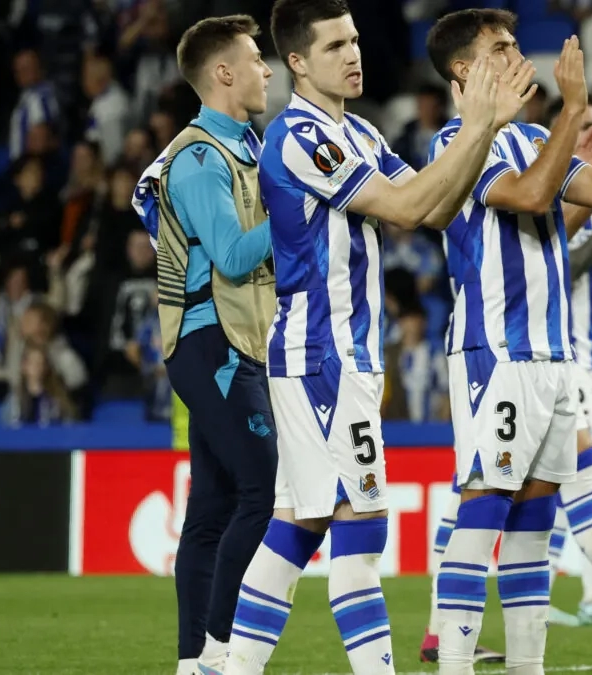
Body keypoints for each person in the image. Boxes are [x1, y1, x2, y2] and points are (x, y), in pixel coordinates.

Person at [221, 1, 529, 674]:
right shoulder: (302, 136)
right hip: (323, 353)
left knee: (298, 525)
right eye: (335, 46)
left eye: (355, 40)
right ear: (298, 62)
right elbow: (405, 207)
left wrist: (482, 130)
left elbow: (436, 205)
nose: (354, 54)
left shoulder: (358, 131)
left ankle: (227, 667)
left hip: (338, 354)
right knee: (362, 525)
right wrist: (479, 124)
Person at [423, 8, 592, 673]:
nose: (516, 54)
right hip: (496, 353)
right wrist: (573, 108)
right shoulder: (455, 142)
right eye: (500, 48)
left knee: (533, 524)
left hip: (555, 358)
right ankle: (453, 663)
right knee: (484, 511)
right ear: (464, 69)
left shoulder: (531, 138)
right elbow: (530, 197)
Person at [130, 15, 278, 675]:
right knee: (261, 490)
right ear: (223, 73)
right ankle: (219, 648)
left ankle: (192, 662)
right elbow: (234, 254)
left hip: (236, 338)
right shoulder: (197, 157)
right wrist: (298, 209)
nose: (266, 69)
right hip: (209, 340)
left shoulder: (242, 147)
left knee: (213, 509)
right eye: (255, 58)